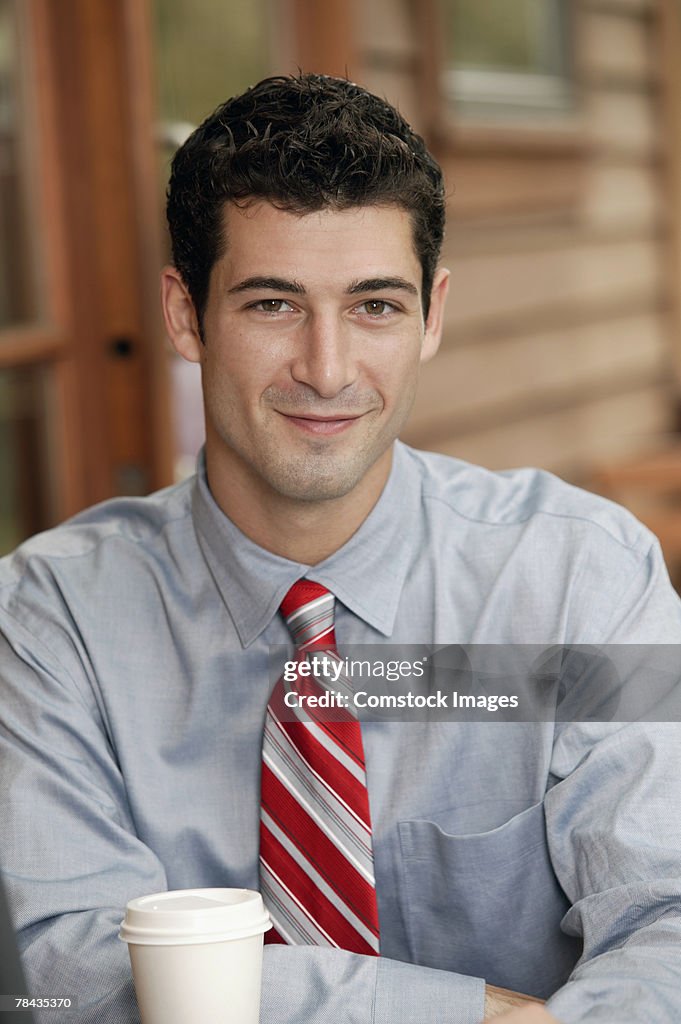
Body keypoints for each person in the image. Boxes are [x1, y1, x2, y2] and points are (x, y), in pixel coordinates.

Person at [1, 73, 681, 1024]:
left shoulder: (581, 578)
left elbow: (666, 915)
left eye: (374, 306)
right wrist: (471, 1017)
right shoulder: (47, 620)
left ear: (431, 315)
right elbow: (71, 972)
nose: (326, 369)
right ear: (185, 315)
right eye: (272, 304)